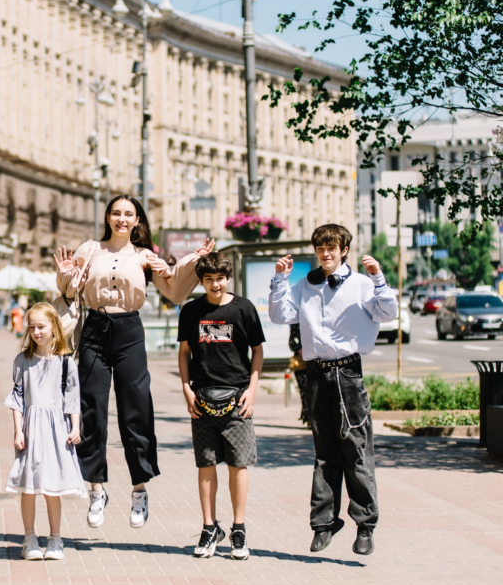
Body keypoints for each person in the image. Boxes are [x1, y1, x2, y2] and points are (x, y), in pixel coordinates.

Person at [55, 194, 213, 529]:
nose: (122, 219)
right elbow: (69, 292)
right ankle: (96, 489)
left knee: (136, 408)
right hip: (95, 328)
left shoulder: (144, 255)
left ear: (137, 220)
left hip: (129, 330)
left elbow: (173, 286)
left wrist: (195, 259)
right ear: (108, 217)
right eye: (116, 213)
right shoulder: (90, 250)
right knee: (91, 408)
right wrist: (65, 275)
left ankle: (139, 490)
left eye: (128, 214)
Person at [269, 224, 397, 556]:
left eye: (332, 248)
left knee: (356, 450)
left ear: (344, 251)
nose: (325, 254)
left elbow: (389, 312)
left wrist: (379, 278)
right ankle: (324, 523)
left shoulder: (361, 284)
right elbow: (280, 315)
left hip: (348, 373)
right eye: (320, 248)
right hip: (316, 373)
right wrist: (280, 280)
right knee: (324, 451)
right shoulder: (304, 285)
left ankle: (365, 525)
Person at [177, 252, 265, 560]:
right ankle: (208, 527)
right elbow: (184, 352)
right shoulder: (191, 311)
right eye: (209, 279)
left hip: (237, 398)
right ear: (201, 281)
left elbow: (257, 351)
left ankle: (238, 529)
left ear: (228, 278)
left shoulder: (244, 308)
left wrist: (252, 390)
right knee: (206, 464)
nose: (215, 284)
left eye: (220, 278)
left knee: (238, 465)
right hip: (202, 399)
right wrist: (186, 389)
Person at [5, 303, 85, 561]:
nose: (36, 332)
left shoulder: (66, 363)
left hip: (56, 431)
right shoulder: (22, 361)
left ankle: (55, 539)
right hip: (31, 430)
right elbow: (17, 399)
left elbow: (73, 398)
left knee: (52, 487)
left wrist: (75, 427)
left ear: (54, 328)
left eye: (41, 327)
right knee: (28, 487)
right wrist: (18, 431)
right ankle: (29, 538)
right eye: (32, 327)